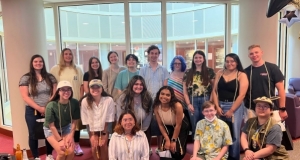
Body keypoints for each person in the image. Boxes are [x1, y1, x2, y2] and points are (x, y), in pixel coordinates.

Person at [19, 55, 57, 160]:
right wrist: (39, 108)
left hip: (49, 109)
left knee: (49, 132)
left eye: (40, 61)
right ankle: (36, 157)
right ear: (32, 63)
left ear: (43, 63)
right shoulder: (26, 78)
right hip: (32, 110)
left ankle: (49, 154)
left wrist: (47, 107)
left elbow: (54, 93)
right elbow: (25, 96)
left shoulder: (50, 77)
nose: (38, 63)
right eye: (35, 61)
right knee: (33, 134)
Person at [211, 53, 248, 160]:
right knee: (220, 133)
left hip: (235, 106)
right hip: (220, 105)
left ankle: (234, 157)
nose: (229, 63)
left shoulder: (241, 75)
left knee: (234, 134)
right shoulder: (219, 73)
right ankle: (222, 156)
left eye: (232, 61)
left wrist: (231, 110)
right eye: (227, 61)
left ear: (237, 62)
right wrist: (216, 106)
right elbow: (214, 91)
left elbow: (242, 95)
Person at [50, 48, 84, 156]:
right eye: (66, 54)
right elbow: (53, 85)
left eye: (70, 54)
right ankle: (63, 143)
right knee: (63, 123)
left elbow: (81, 86)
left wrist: (80, 99)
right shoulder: (56, 69)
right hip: (61, 101)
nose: (68, 56)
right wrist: (54, 99)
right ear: (62, 55)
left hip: (74, 101)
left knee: (76, 124)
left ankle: (76, 145)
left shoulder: (77, 69)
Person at [244, 44, 287, 122]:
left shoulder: (272, 68)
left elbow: (281, 90)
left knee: (274, 133)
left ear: (261, 53)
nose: (254, 55)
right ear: (248, 56)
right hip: (252, 110)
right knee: (252, 133)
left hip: (271, 109)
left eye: (256, 52)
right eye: (251, 53)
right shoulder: (246, 71)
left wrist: (282, 109)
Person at [139, 45, 169, 154]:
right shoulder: (143, 69)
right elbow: (140, 85)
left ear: (158, 55)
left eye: (156, 53)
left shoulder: (164, 70)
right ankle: (148, 148)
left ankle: (160, 147)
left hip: (159, 101)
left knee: (160, 124)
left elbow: (165, 87)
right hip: (146, 101)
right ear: (148, 54)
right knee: (147, 125)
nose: (154, 55)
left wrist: (164, 100)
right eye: (152, 53)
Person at [43, 81, 80, 160]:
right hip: (50, 129)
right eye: (63, 89)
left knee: (70, 151)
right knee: (62, 152)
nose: (66, 92)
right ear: (58, 92)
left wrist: (71, 135)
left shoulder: (75, 103)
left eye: (68, 89)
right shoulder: (51, 105)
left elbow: (74, 121)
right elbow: (51, 126)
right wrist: (60, 140)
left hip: (66, 127)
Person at [80, 79, 115, 160]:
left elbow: (109, 118)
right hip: (91, 126)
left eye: (98, 87)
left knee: (103, 145)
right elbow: (86, 120)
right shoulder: (84, 101)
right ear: (89, 89)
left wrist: (103, 134)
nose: (95, 89)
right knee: (94, 145)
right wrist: (93, 135)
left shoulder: (109, 100)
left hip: (105, 125)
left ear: (102, 88)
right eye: (93, 87)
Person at [183, 50, 215, 136]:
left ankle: (207, 147)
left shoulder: (210, 71)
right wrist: (188, 104)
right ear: (193, 59)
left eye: (200, 57)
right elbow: (185, 91)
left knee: (207, 123)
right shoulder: (188, 72)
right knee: (195, 125)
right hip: (193, 101)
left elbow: (214, 88)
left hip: (206, 99)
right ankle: (196, 147)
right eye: (196, 58)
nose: (198, 59)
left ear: (204, 59)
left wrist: (210, 102)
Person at [116, 75, 152, 148]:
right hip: (126, 127)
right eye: (136, 84)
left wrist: (141, 131)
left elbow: (149, 116)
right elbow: (120, 116)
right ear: (131, 85)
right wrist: (127, 129)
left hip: (142, 127)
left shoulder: (148, 98)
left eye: (141, 84)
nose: (139, 86)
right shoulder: (123, 97)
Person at [154, 86, 190, 160]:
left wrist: (173, 141)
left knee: (176, 152)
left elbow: (178, 125)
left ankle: (183, 143)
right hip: (168, 126)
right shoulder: (156, 107)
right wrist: (167, 139)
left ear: (171, 96)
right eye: (162, 94)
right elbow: (160, 125)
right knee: (164, 151)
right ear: (159, 95)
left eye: (168, 95)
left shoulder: (177, 106)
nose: (164, 96)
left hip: (181, 125)